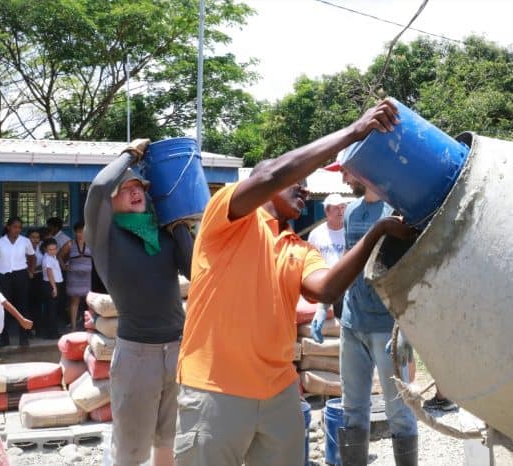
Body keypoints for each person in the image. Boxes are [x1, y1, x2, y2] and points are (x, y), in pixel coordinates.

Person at [175, 99, 415, 466]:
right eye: (296, 183)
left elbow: (326, 289)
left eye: (304, 185)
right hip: (214, 391)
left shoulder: (298, 249)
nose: (303, 190)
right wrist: (354, 131)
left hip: (279, 396)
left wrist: (377, 232)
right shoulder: (226, 218)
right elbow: (272, 176)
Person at [84, 139, 193, 466]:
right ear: (112, 202)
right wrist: (131, 154)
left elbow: (194, 270)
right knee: (131, 451)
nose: (135, 191)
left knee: (169, 440)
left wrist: (179, 224)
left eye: (140, 187)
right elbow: (100, 187)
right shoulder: (105, 237)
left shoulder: (162, 234)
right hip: (136, 356)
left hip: (177, 350)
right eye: (126, 188)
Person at [313, 162, 419, 465]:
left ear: (364, 171)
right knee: (353, 411)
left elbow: (409, 272)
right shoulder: (351, 213)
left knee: (399, 411)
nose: (343, 179)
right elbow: (348, 262)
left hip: (387, 327)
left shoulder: (396, 213)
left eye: (347, 172)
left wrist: (406, 329)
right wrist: (324, 306)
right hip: (352, 325)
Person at [0, 217, 35, 347]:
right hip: (3, 276)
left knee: (22, 305)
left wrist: (30, 271)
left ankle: (23, 338)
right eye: (15, 227)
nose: (17, 230)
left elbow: (32, 257)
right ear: (8, 227)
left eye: (19, 227)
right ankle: (4, 338)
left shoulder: (25, 241)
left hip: (21, 276)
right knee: (4, 307)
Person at [308, 193, 349, 340]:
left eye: (343, 207)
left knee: (348, 325)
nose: (341, 211)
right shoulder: (316, 234)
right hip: (326, 287)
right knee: (331, 328)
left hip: (348, 287)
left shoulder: (350, 232)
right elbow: (310, 262)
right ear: (327, 211)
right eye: (336, 208)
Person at [58, 221, 92, 331]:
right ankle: (73, 326)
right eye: (78, 232)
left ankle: (89, 325)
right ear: (75, 232)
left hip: (87, 276)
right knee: (74, 301)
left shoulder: (92, 243)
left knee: (90, 301)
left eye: (83, 232)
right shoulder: (70, 244)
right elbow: (59, 256)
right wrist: (64, 266)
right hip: (73, 276)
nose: (81, 234)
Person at [41, 238, 64, 340]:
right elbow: (49, 273)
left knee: (52, 309)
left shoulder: (52, 257)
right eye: (50, 249)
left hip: (53, 284)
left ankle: (52, 331)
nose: (53, 251)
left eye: (54, 249)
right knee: (52, 310)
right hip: (51, 285)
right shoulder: (47, 259)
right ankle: (52, 333)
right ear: (46, 249)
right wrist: (54, 288)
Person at [26, 228, 44, 338]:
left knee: (37, 304)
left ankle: (38, 328)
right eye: (32, 237)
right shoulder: (24, 247)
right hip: (27, 277)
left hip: (39, 277)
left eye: (37, 237)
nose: (35, 240)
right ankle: (28, 329)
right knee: (27, 304)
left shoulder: (42, 247)